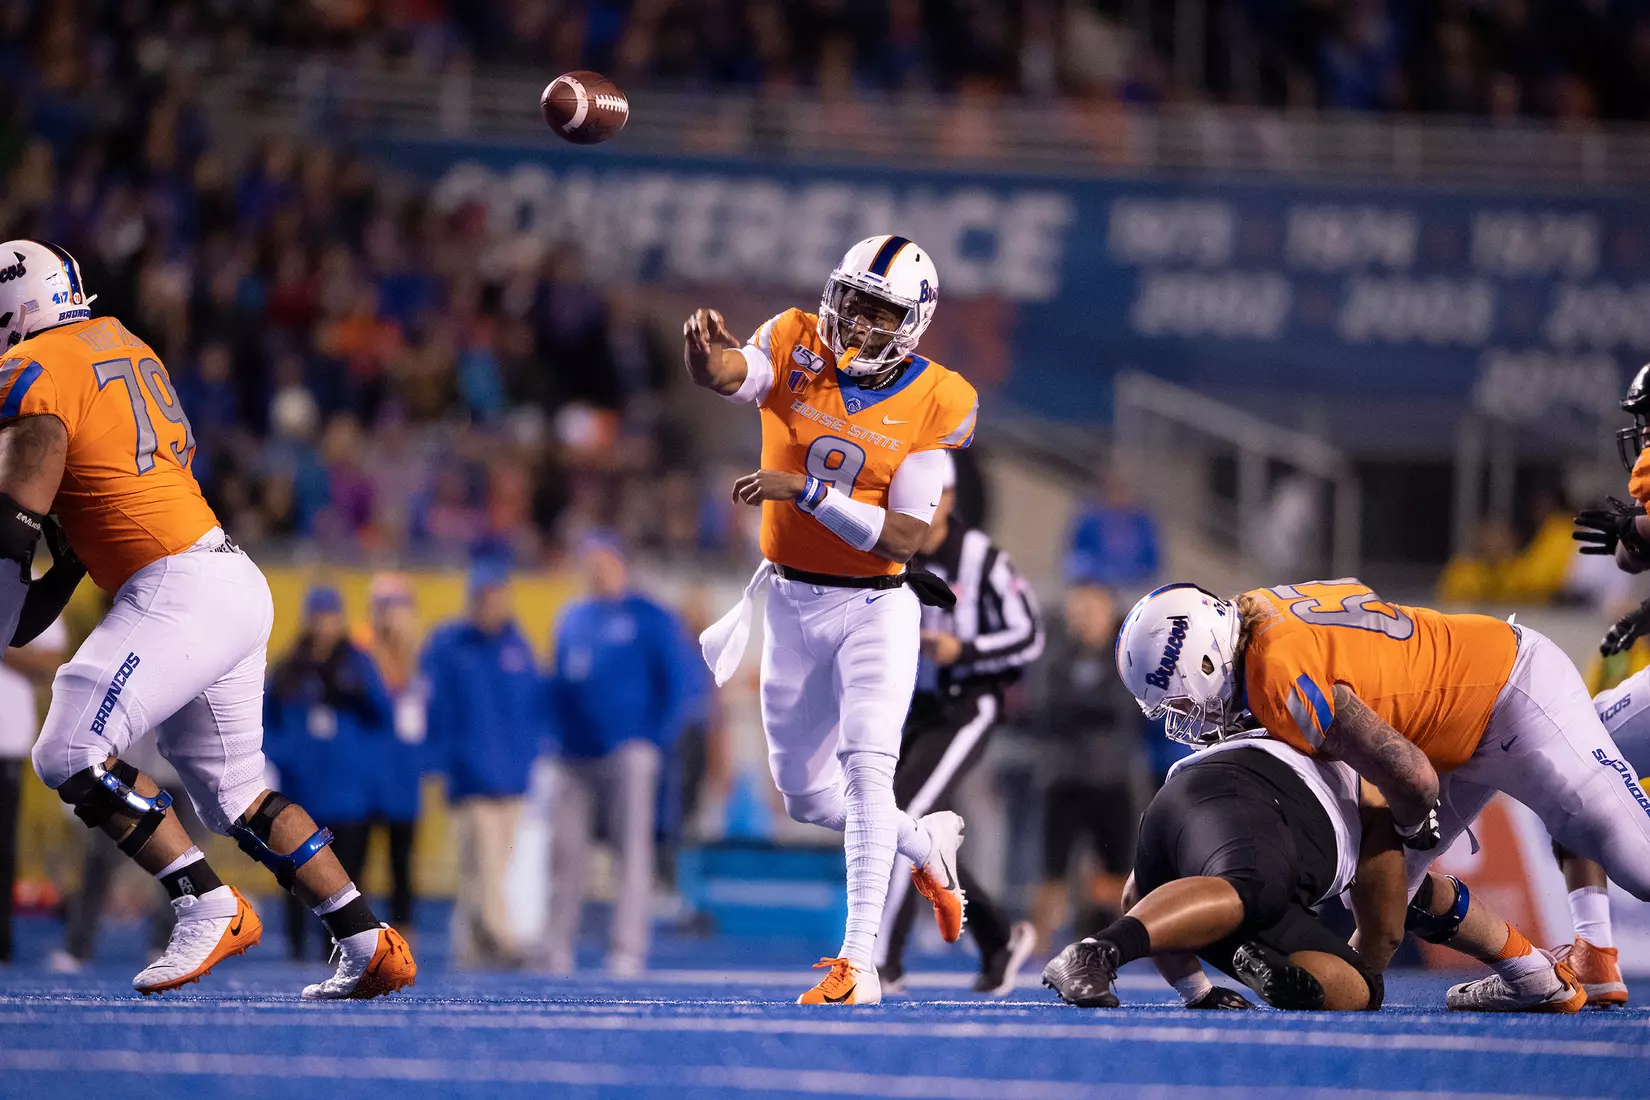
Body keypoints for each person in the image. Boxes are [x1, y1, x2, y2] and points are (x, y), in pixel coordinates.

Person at [1, 240, 414, 998]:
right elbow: (58, 562)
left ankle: (205, 903)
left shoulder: (35, 368)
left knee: (68, 749)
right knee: (237, 794)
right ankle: (366, 939)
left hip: (176, 584)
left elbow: (12, 535)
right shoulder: (122, 342)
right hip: (227, 574)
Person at [1113, 580, 1650, 1010]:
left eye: (1180, 702)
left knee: (1641, 867)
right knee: (1383, 887)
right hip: (1451, 721)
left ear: (1207, 660)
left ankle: (1356, 989)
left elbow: (1414, 778)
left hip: (1511, 693)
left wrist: (1415, 825)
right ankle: (1533, 977)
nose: (1185, 720)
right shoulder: (1253, 615)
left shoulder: (1278, 679)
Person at [687, 234, 978, 1004]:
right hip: (789, 601)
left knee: (866, 769)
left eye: (880, 310)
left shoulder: (937, 399)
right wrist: (703, 357)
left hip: (876, 606)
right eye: (853, 299)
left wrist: (807, 492)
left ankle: (858, 964)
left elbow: (903, 538)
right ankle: (925, 841)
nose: (858, 319)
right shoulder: (793, 339)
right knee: (806, 798)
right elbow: (729, 373)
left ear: (911, 322)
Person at [1041, 732, 1584, 1013]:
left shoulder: (1335, 747)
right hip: (1246, 802)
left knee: (1344, 980)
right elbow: (1388, 928)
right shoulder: (1376, 799)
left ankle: (1245, 953)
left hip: (1191, 813)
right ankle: (1096, 952)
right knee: (1259, 893)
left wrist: (1196, 991)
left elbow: (1140, 892)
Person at [876, 452, 1042, 995]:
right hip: (916, 706)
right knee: (911, 827)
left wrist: (963, 650)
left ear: (948, 499)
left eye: (928, 501)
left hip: (969, 703)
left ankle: (884, 961)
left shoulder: (981, 558)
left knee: (902, 814)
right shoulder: (894, 551)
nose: (918, 513)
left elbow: (1029, 634)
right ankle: (997, 938)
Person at [544, 532, 691, 976]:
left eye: (604, 562)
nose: (597, 571)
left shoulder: (650, 617)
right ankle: (556, 947)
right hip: (574, 755)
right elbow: (557, 685)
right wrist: (553, 737)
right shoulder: (573, 617)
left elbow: (677, 684)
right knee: (565, 853)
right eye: (590, 563)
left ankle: (627, 948)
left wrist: (651, 740)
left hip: (628, 751)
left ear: (622, 565)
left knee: (632, 852)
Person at [422, 559, 544, 968]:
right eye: (485, 597)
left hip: (512, 777)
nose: (492, 605)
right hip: (471, 777)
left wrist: (531, 761)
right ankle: (502, 937)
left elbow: (534, 709)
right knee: (488, 863)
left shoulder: (518, 647)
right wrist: (440, 762)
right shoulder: (449, 647)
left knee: (486, 868)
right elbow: (435, 710)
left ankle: (470, 946)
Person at [263, 584, 394, 960]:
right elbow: (264, 722)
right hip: (301, 792)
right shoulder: (290, 667)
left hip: (349, 793)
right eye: (318, 616)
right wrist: (286, 756)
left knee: (347, 877)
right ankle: (296, 949)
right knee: (295, 874)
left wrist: (365, 765)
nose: (324, 625)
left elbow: (383, 717)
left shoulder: (358, 665)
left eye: (330, 616)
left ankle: (340, 950)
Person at [1029, 577, 1153, 952]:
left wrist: (1079, 710)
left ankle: (1128, 941)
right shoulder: (1056, 657)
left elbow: (1126, 709)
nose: (1083, 617)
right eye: (1077, 609)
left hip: (1110, 777)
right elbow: (1042, 707)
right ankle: (1036, 948)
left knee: (1118, 869)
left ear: (1108, 613)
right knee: (1051, 869)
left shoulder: (1125, 658)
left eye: (1091, 608)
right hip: (1063, 776)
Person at [356, 572, 426, 936]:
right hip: (366, 773)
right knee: (357, 857)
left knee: (402, 860)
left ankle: (404, 937)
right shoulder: (361, 650)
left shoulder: (420, 656)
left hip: (403, 774)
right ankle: (357, 932)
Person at [0, 613, 65, 963]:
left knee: (3, 844)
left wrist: (6, 649)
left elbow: (52, 662)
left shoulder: (31, 589)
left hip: (5, 739)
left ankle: (2, 940)